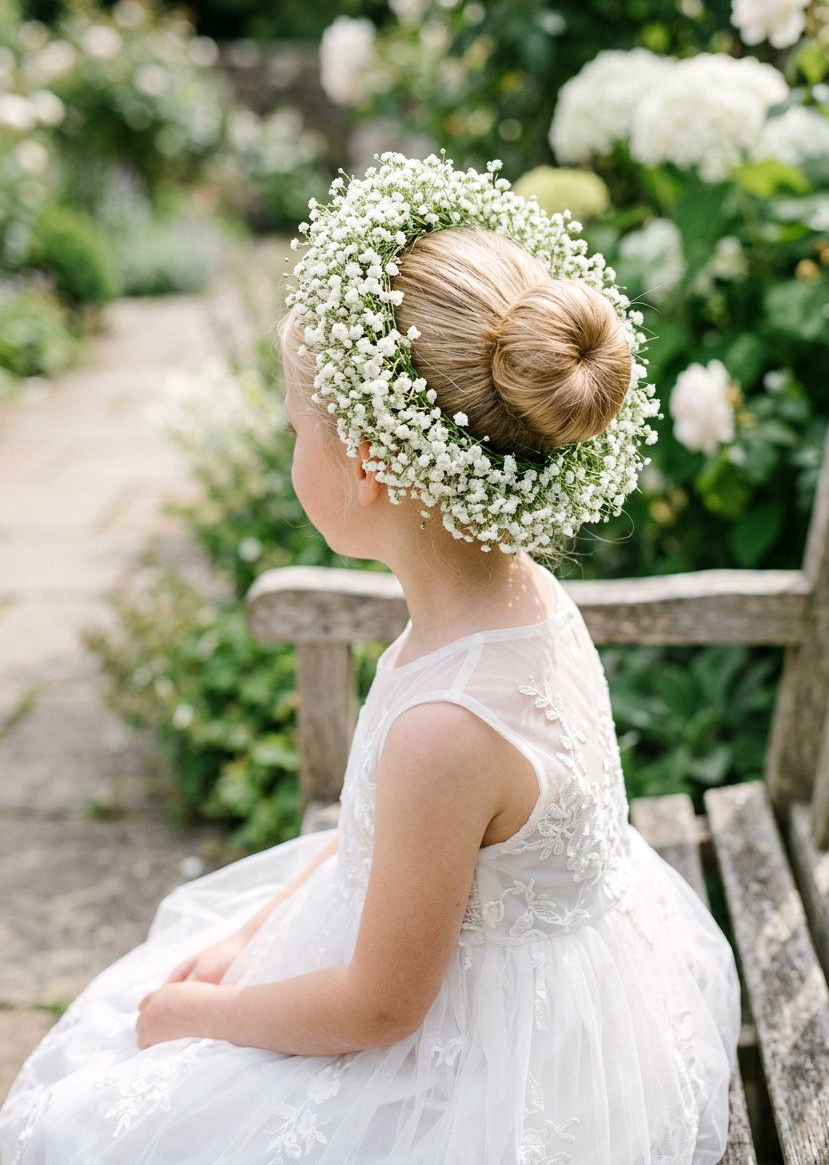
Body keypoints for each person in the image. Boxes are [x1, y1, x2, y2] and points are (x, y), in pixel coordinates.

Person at [0, 153, 740, 1164]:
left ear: (365, 462)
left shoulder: (448, 727)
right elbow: (381, 851)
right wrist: (251, 934)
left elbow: (381, 1003)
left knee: (116, 1106)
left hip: (479, 1064)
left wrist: (202, 1016)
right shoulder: (507, 593)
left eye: (296, 426)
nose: (288, 447)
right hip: (508, 962)